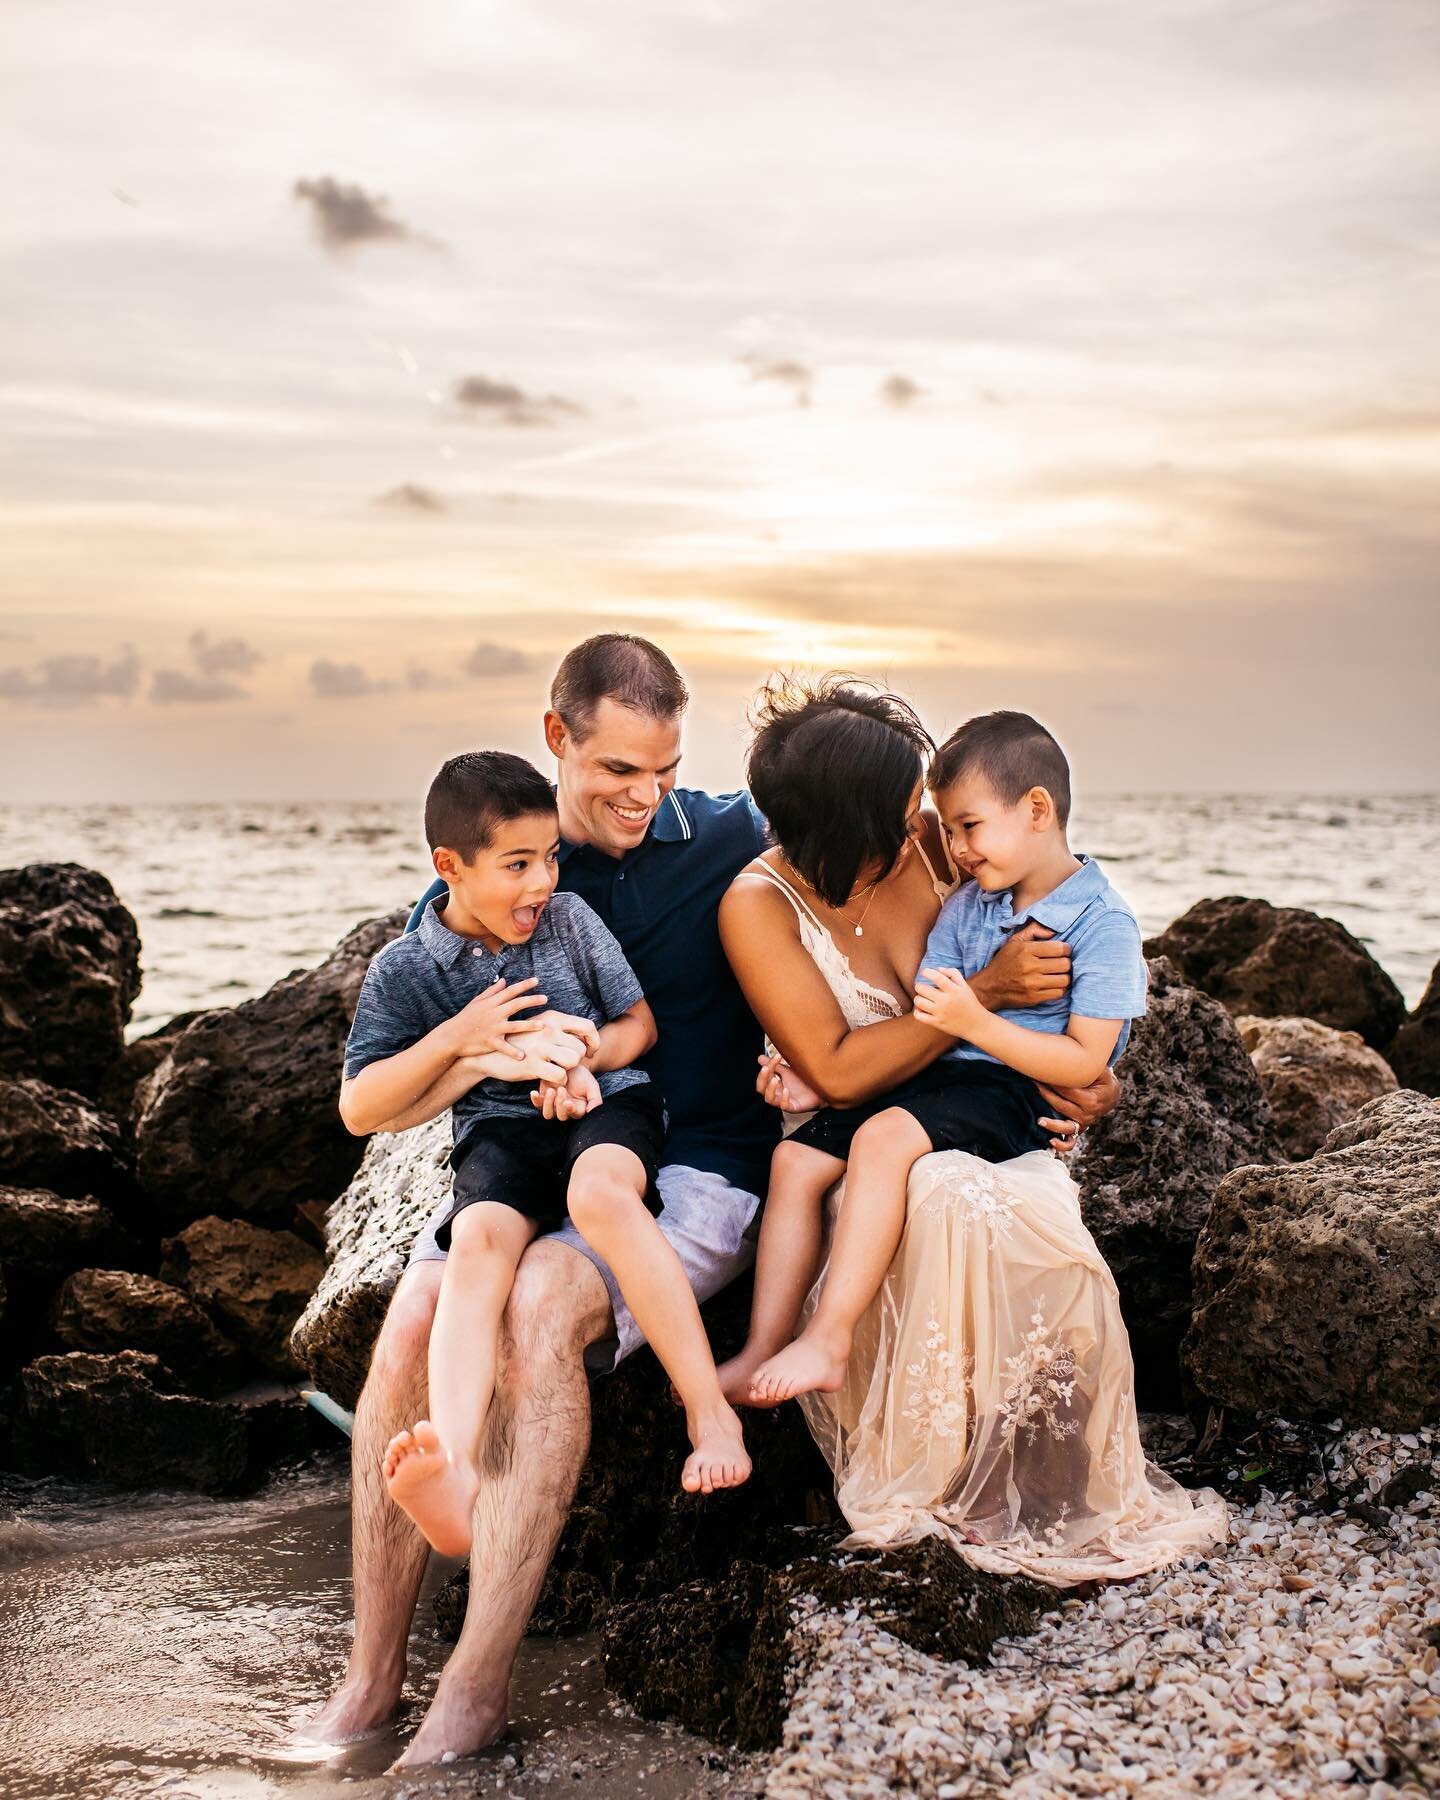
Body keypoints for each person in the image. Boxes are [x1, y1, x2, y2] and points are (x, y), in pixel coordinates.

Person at [298, 639, 1118, 1765]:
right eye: (619, 771)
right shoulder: (501, 876)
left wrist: (1067, 1061)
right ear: (558, 741)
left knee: (544, 1304)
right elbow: (382, 1097)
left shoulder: (734, 834)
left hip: (696, 1169)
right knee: (406, 1329)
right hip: (531, 1162)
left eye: (666, 770)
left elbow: (876, 815)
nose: (645, 796)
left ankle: (473, 1691)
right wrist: (475, 1052)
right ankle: (369, 1678)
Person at [718, 676, 1226, 1586]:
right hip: (882, 1105)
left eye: (937, 814)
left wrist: (1088, 1076)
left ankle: (1018, 1474)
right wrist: (984, 999)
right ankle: (805, 1367)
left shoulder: (943, 849)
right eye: (910, 813)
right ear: (840, 826)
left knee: (966, 1197)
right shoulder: (762, 902)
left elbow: (1062, 944)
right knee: (859, 1173)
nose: (927, 830)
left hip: (968, 1103)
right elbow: (843, 1064)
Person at [341, 751, 750, 1560]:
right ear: (448, 867)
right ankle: (454, 1467)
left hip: (607, 1103)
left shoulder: (569, 920)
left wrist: (580, 1058)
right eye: (518, 864)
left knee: (602, 1197)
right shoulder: (409, 968)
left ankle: (710, 1413)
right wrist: (461, 1039)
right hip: (500, 1127)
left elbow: (639, 1026)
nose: (541, 882)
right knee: (479, 1242)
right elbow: (360, 1107)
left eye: (550, 857)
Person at [737, 710, 1146, 1408]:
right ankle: (757, 1351)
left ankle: (830, 1337)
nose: (940, 840)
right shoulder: (968, 902)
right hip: (938, 1079)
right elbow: (932, 1011)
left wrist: (1080, 1075)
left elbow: (1081, 1049)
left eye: (961, 827)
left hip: (999, 1093)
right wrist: (813, 1080)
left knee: (886, 1138)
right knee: (795, 1160)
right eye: (935, 825)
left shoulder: (1086, 916)